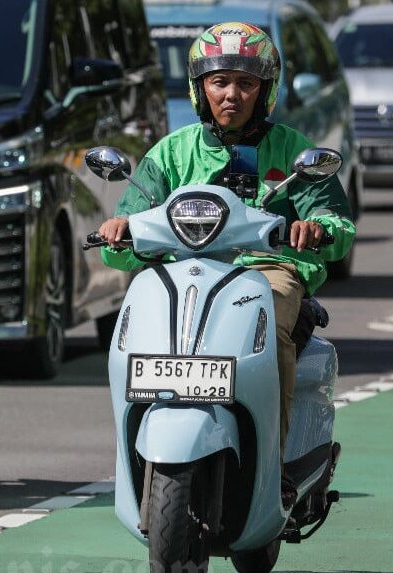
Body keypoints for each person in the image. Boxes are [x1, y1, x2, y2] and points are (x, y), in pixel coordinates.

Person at [97, 22, 355, 507]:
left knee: (271, 326)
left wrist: (314, 228)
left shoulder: (292, 150)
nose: (231, 94)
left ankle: (272, 464)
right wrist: (120, 228)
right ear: (200, 89)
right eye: (219, 82)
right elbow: (124, 235)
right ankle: (132, 458)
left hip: (267, 271)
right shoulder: (170, 153)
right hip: (182, 271)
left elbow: (336, 226)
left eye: (245, 83)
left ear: (265, 90)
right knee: (134, 330)